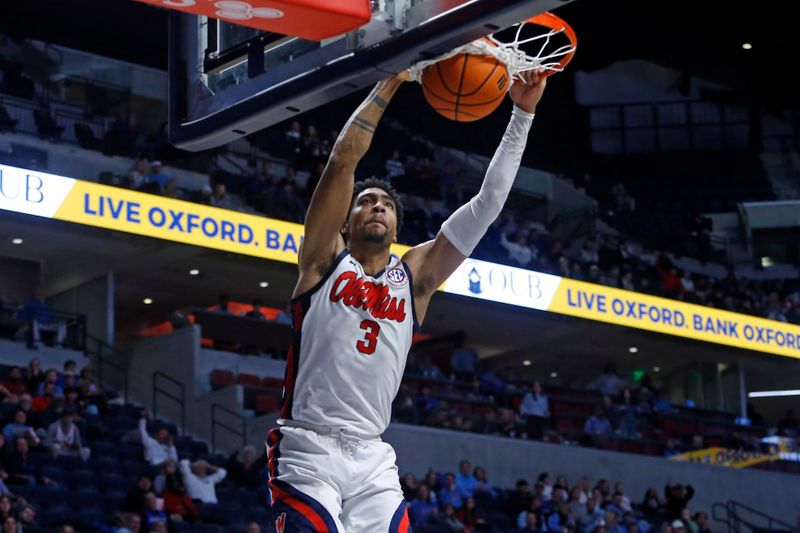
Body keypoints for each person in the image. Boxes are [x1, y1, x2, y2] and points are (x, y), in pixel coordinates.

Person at [266, 67, 547, 532]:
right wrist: (392, 79)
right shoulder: (323, 262)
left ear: (397, 229)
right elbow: (342, 163)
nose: (378, 206)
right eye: (366, 202)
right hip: (308, 446)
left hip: (373, 457)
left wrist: (522, 113)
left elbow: (488, 203)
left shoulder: (416, 277)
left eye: (387, 205)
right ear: (344, 223)